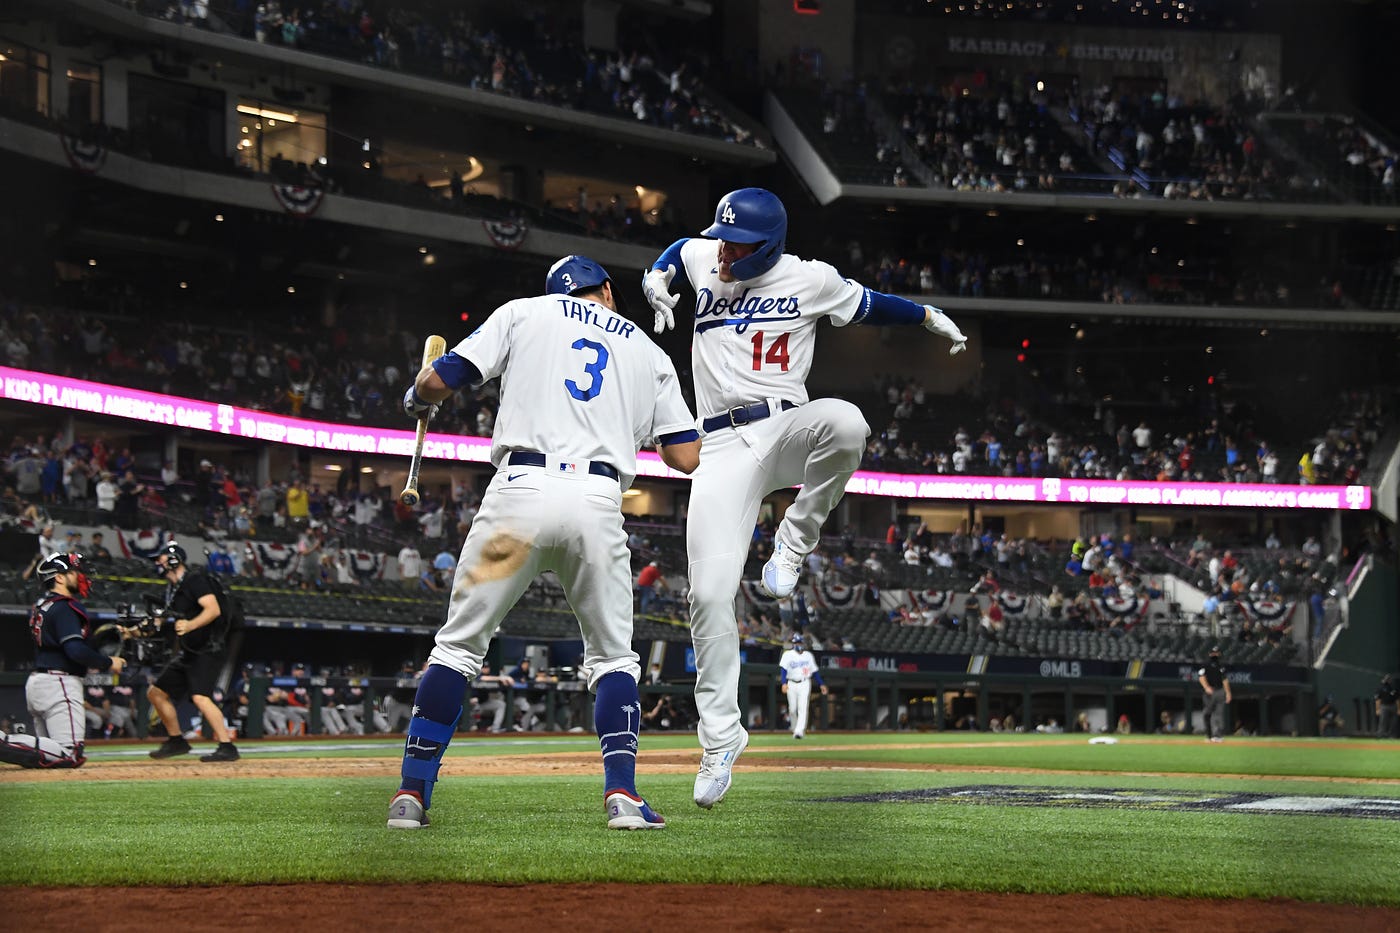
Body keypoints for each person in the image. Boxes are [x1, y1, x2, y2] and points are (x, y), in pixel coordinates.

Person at [642, 187, 968, 808]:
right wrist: (659, 275)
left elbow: (872, 305)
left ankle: (794, 541)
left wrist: (926, 316)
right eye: (723, 238)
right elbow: (682, 247)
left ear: (770, 244)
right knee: (708, 594)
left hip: (784, 425)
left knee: (847, 421)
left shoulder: (808, 279)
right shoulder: (708, 254)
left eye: (738, 243)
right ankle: (720, 739)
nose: (725, 251)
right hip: (719, 447)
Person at [386, 254, 700, 831]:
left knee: (457, 649)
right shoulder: (648, 351)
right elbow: (685, 456)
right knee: (612, 659)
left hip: (519, 493)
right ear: (606, 289)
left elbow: (438, 381)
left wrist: (417, 398)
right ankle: (623, 798)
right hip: (598, 502)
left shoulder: (523, 313)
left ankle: (410, 794)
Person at [0, 553, 126, 768]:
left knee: (46, 754)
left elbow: (66, 645)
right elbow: (75, 651)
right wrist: (108, 662)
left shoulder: (43, 604)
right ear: (59, 577)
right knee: (69, 753)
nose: (80, 576)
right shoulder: (65, 606)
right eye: (74, 571)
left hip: (40, 682)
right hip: (59, 684)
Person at [145, 542, 240, 762]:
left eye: (160, 558)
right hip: (189, 651)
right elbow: (158, 620)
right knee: (156, 693)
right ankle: (177, 740)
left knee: (200, 697)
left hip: (208, 649)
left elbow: (213, 609)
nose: (157, 563)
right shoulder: (171, 590)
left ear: (173, 559)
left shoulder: (195, 581)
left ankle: (227, 746)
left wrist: (190, 625)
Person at [778, 633, 827, 740]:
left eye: (799, 642)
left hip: (805, 682)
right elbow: (783, 670)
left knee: (802, 707)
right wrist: (784, 683)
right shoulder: (788, 655)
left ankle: (799, 731)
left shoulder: (808, 656)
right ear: (793, 643)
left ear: (803, 643)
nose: (798, 644)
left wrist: (821, 684)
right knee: (792, 709)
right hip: (791, 682)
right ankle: (794, 728)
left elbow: (815, 672)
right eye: (796, 642)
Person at [1196, 646, 1232, 743]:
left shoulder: (1221, 665)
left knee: (1218, 714)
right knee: (1207, 713)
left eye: (1217, 653)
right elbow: (1201, 677)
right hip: (1210, 691)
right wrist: (1206, 687)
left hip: (1220, 691)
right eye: (1213, 652)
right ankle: (1209, 735)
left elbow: (1225, 680)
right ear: (1210, 653)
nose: (1215, 654)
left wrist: (1228, 693)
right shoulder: (1205, 664)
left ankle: (1217, 735)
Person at [1376, 674, 1398, 739]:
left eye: (1389, 679)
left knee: (1394, 722)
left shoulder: (1393, 688)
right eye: (1387, 679)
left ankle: (1392, 736)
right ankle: (1380, 735)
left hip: (1393, 706)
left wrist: (1399, 708)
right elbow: (1377, 699)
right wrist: (1377, 709)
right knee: (1382, 721)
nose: (1388, 680)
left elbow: (1397, 699)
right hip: (1384, 706)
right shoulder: (1380, 687)